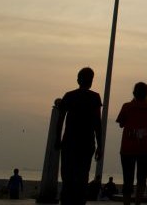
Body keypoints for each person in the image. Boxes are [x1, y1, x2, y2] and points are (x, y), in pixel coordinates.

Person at [54, 67, 103, 205]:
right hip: (86, 143)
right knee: (82, 177)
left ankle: (67, 201)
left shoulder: (69, 96)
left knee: (68, 177)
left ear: (78, 80)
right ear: (91, 81)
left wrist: (57, 139)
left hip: (70, 142)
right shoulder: (94, 97)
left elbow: (60, 120)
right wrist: (100, 145)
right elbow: (97, 123)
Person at [116, 82, 147, 205]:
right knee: (142, 179)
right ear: (146, 94)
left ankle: (126, 202)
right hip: (144, 148)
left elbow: (121, 124)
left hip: (127, 148)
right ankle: (138, 202)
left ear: (134, 93)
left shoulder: (126, 106)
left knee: (127, 179)